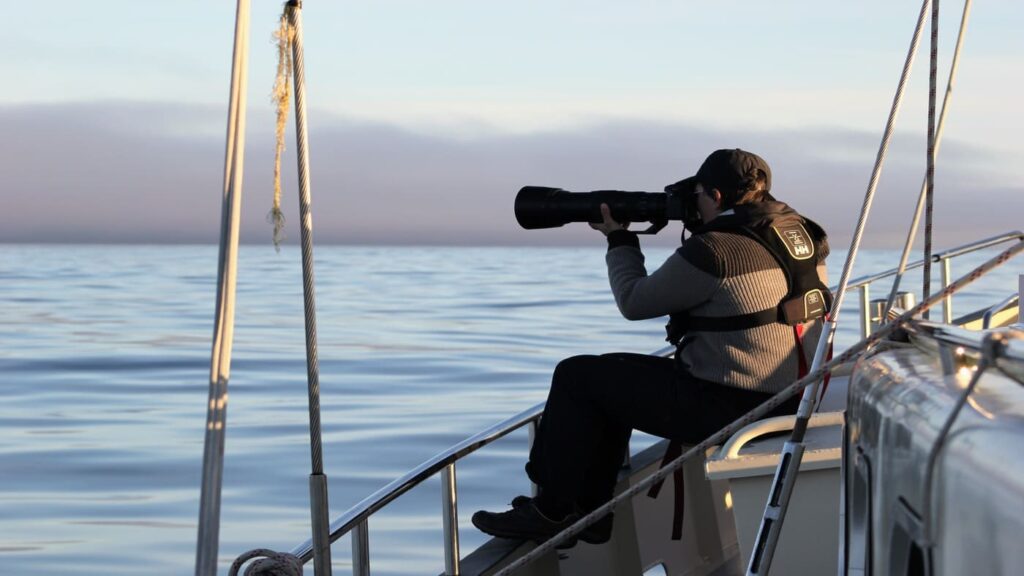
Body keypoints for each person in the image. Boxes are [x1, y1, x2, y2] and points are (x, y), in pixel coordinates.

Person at [471, 148, 830, 546]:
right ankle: (590, 513)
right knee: (609, 374)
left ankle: (553, 510)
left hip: (739, 405)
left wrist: (620, 239)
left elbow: (634, 302)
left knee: (577, 376)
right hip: (799, 394)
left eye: (697, 196)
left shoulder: (717, 249)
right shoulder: (801, 233)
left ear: (716, 196)